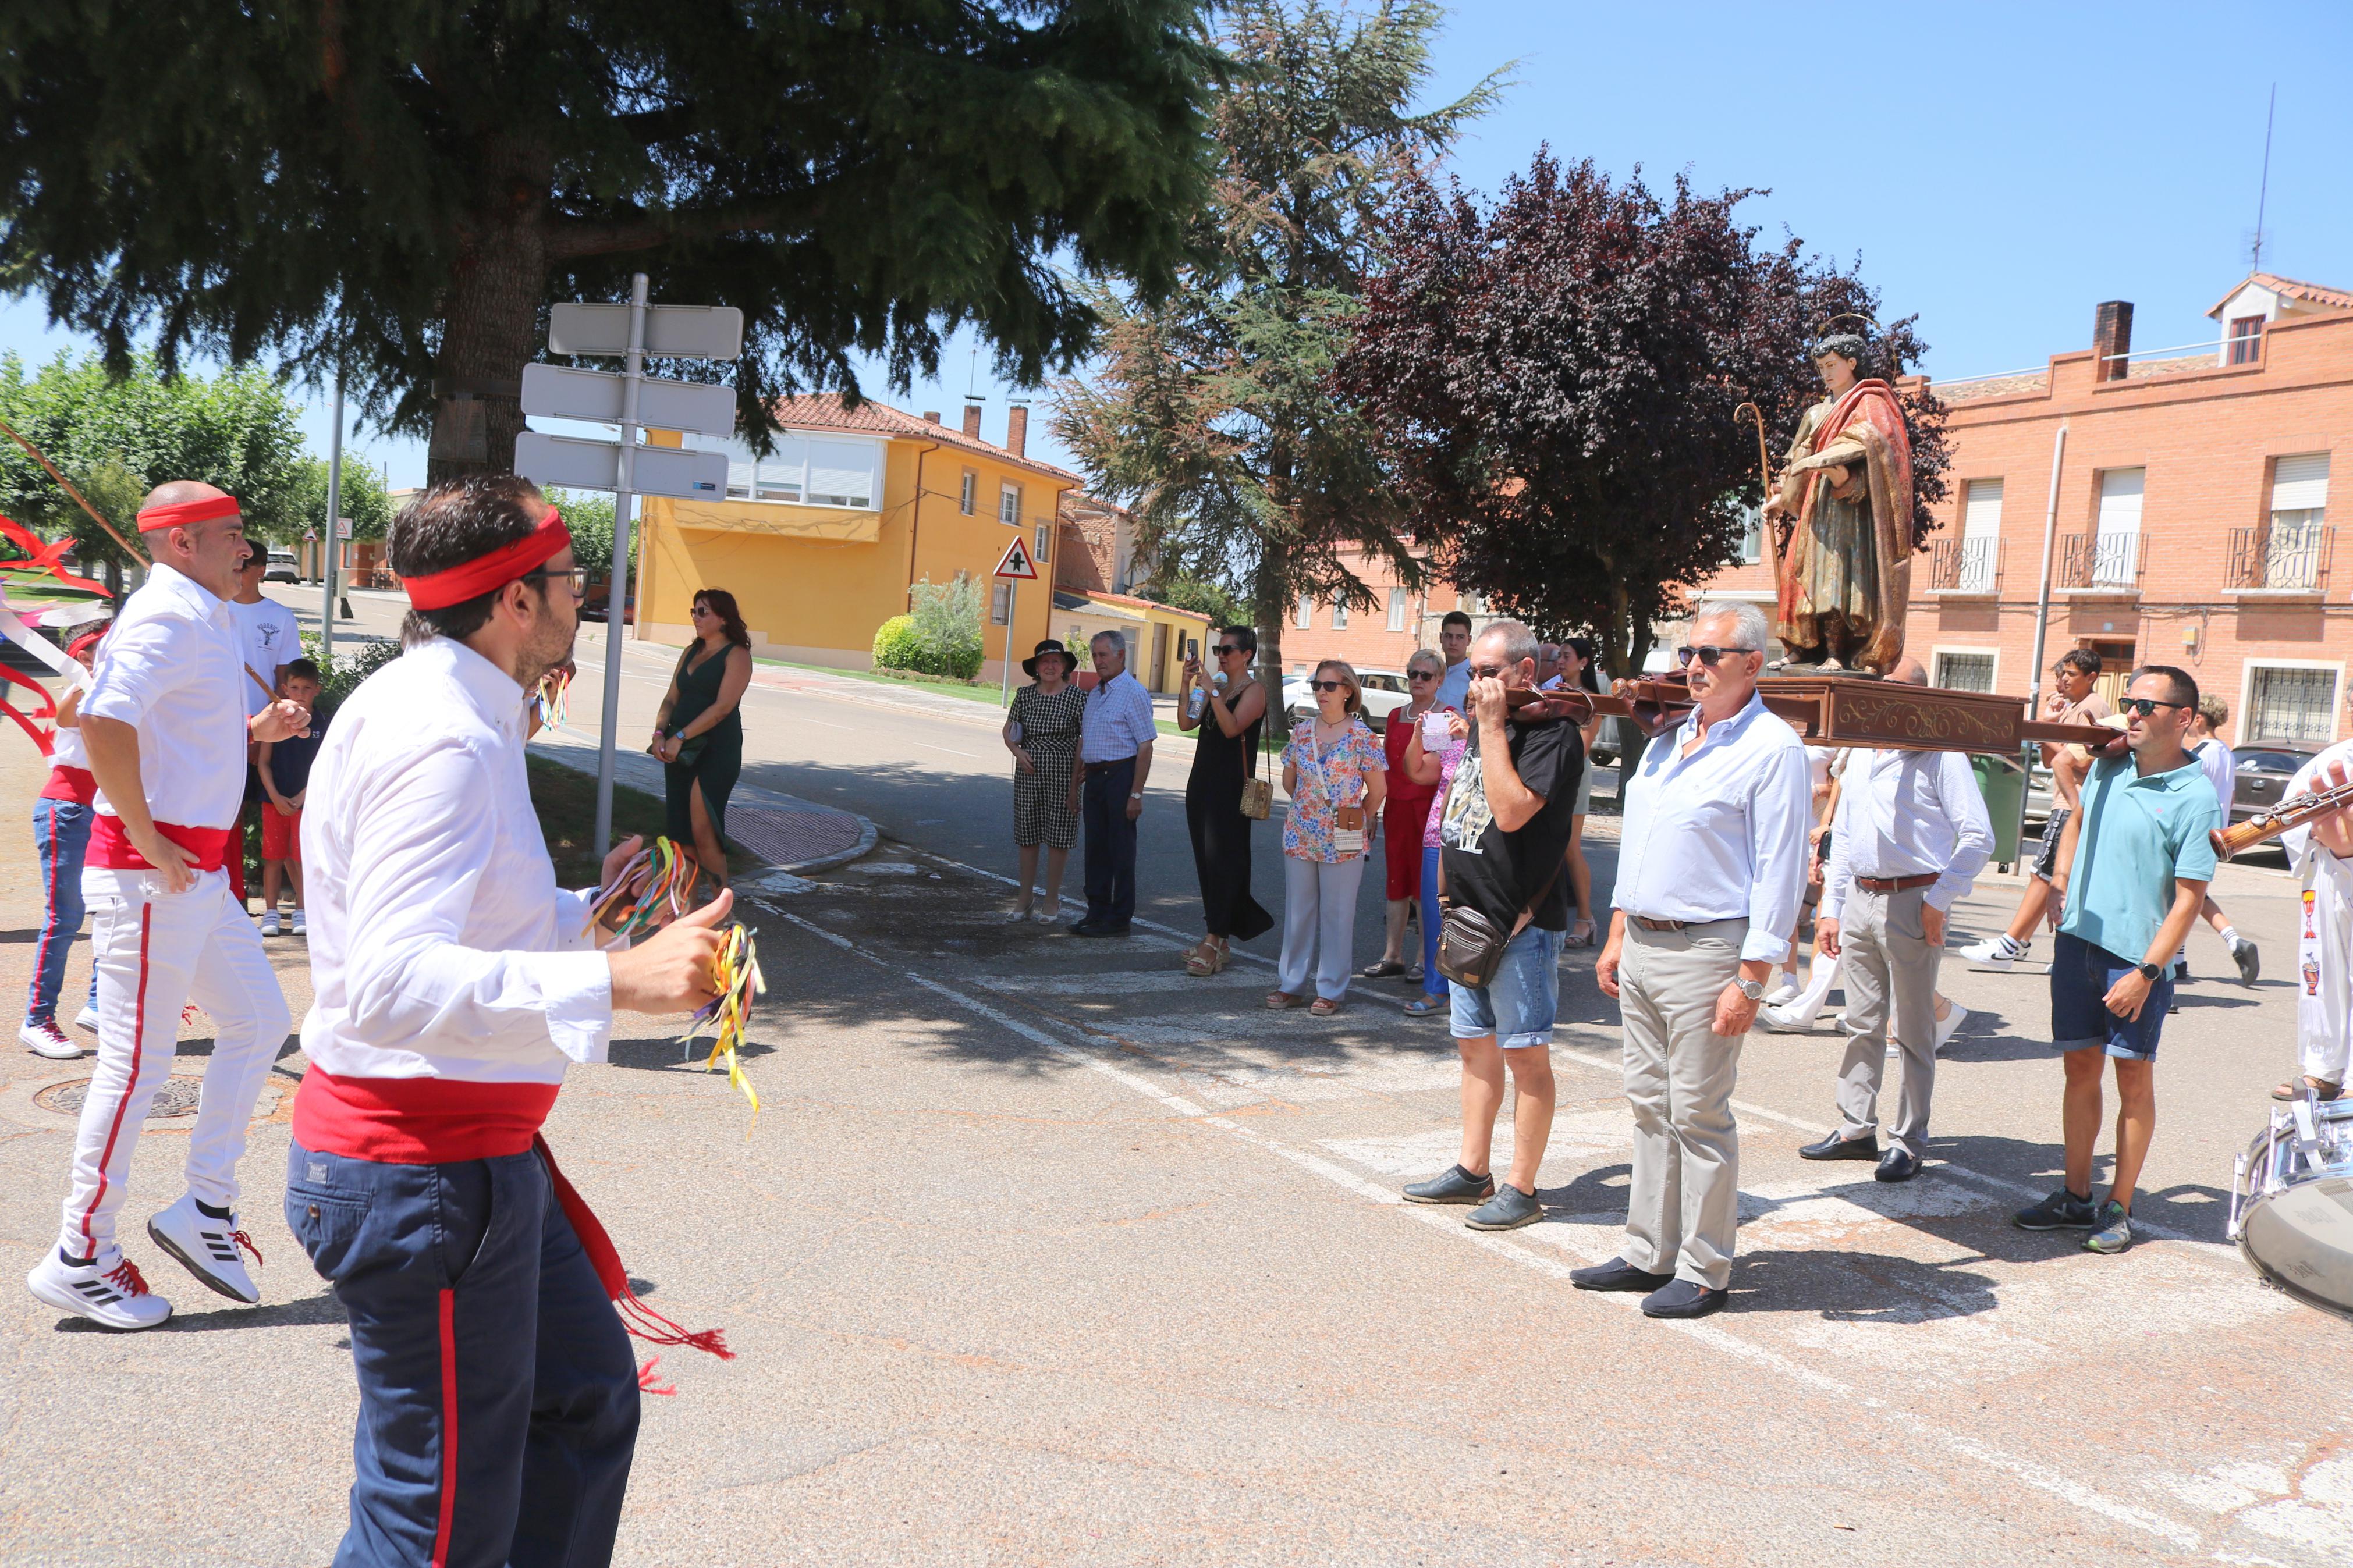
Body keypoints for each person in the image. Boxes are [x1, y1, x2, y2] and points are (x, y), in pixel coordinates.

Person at [290, 475, 733, 1566]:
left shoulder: (453, 710)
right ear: (514, 601)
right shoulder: (444, 739)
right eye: (571, 579)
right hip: (425, 1175)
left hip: (478, 1164)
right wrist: (619, 986)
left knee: (583, 1400)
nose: (583, 598)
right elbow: (387, 982)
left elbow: (468, 924)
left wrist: (593, 914)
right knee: (434, 1524)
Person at [24, 482, 311, 1329]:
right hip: (158, 873)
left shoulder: (201, 614)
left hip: (196, 872)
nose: (245, 549)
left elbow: (178, 721)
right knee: (133, 1066)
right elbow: (105, 719)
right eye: (232, 536)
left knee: (259, 1022)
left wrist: (258, 727)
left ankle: (205, 1209)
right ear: (183, 543)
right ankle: (80, 1252)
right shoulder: (166, 616)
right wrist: (146, 837)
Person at [1575, 600, 1809, 1318]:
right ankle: (1648, 1250)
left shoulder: (1771, 748)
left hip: (1709, 948)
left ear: (1750, 664)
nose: (1693, 666)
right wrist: (1617, 930)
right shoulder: (1668, 740)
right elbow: (1641, 843)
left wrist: (1752, 977)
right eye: (1687, 655)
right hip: (1645, 941)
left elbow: (1780, 870)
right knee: (1648, 1105)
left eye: (1708, 655)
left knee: (1698, 1112)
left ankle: (1705, 1267)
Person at [2012, 666, 2221, 1256]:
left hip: (2135, 959)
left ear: (2182, 718)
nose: (2132, 713)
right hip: (2077, 942)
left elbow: (2188, 901)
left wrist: (2146, 972)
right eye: (2128, 701)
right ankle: (2074, 1194)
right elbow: (2069, 780)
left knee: (2132, 1077)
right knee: (2078, 1070)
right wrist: (2059, 881)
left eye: (2146, 706)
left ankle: (2118, 1205)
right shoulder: (2108, 763)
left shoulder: (2194, 795)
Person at [1401, 621, 1583, 1230]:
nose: (1475, 684)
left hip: (1521, 925)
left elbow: (1508, 812)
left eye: (1488, 673)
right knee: (1474, 1050)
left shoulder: (1550, 735)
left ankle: (1521, 1186)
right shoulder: (1491, 728)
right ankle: (1471, 1169)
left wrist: (1488, 727)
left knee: (1525, 1055)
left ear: (1524, 674)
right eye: (1472, 672)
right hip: (1469, 916)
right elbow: (1456, 807)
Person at [1797, 657, 1995, 1182]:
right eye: (1879, 691)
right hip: (1860, 895)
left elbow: (1978, 836)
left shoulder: (1940, 755)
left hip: (1912, 899)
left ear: (1919, 700)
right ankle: (1855, 1127)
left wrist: (1940, 898)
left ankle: (1908, 1141)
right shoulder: (1862, 751)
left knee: (1910, 1030)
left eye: (1893, 691)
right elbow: (1843, 835)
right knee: (1860, 1021)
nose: (1880, 699)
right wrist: (1831, 909)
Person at [1759, 332, 1917, 673]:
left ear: (1852, 363)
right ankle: (1800, 647)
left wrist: (1843, 476)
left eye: (1832, 365)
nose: (1826, 373)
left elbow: (1883, 455)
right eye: (1821, 367)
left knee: (1837, 578)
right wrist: (1780, 497)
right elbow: (1797, 463)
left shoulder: (1871, 403)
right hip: (1816, 510)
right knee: (1799, 577)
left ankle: (1837, 652)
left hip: (1849, 512)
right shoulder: (1816, 413)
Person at [1961, 649, 2113, 969]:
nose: (2063, 681)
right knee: (2050, 876)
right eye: (2060, 675)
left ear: (2092, 678)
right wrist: (2048, 725)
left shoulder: (2094, 707)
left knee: (2044, 876)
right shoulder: (2073, 707)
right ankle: (2021, 944)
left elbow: (2076, 762)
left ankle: (2010, 944)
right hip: (2067, 802)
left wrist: (2049, 734)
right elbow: (2050, 760)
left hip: (2073, 804)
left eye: (2070, 675)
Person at [1266, 661, 1387, 1015]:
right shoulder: (1302, 732)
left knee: (1338, 913)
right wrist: (1311, 808)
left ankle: (1331, 989)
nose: (1321, 691)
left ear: (1348, 690)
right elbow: (1290, 781)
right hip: (1301, 831)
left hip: (1345, 831)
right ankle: (1292, 984)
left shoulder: (1363, 736)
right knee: (1298, 912)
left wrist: (1356, 819)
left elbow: (1378, 790)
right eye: (1318, 684)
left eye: (1330, 686)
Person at [19, 627, 106, 1059]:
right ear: (79, 656)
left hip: (107, 809)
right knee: (65, 918)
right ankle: (37, 1019)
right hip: (67, 809)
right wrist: (88, 674)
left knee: (111, 910)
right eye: (96, 649)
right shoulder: (81, 689)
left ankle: (98, 1004)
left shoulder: (117, 690)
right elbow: (68, 717)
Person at [1177, 626, 1272, 971]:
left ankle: (1215, 940)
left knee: (1225, 861)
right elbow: (1187, 722)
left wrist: (1212, 693)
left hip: (1231, 787)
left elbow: (1233, 729)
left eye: (1228, 650)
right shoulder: (1215, 685)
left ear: (1247, 654)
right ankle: (1216, 936)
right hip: (1202, 781)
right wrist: (1188, 684)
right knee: (1206, 860)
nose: (1221, 655)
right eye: (1218, 649)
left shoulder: (1255, 690)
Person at [651, 587, 752, 890]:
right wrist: (659, 733)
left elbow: (723, 708)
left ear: (723, 618)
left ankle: (722, 908)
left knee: (703, 827)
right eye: (694, 611)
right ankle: (687, 912)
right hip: (678, 749)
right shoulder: (690, 652)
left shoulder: (737, 655)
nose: (696, 617)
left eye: (703, 611)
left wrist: (680, 735)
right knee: (680, 834)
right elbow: (671, 698)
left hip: (717, 749)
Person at [1363, 647, 1446, 980]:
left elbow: (1434, 769)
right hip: (1397, 807)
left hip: (1427, 811)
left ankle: (1424, 958)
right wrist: (1374, 811)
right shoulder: (1397, 715)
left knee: (1424, 887)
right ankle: (1392, 955)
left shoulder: (1441, 716)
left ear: (1439, 680)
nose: (1418, 681)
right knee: (1395, 881)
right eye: (1413, 674)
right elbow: (1383, 769)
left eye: (1426, 675)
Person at [226, 541, 300, 911]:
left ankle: (292, 905)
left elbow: (284, 678)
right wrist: (246, 731)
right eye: (235, 564)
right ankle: (232, 895)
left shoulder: (281, 617)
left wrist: (270, 735)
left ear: (260, 570)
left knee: (280, 822)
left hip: (268, 733)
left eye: (245, 565)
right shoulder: (215, 611)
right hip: (229, 731)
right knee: (229, 816)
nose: (238, 571)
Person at [2279, 742, 2353, 1101]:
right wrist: (2318, 832)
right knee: (2323, 972)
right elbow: (2287, 816)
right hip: (2327, 872)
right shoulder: (2327, 762)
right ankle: (2324, 1069)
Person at [1070, 630, 1155, 937]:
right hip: (1094, 778)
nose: (1098, 661)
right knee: (1096, 849)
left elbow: (1145, 746)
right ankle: (1097, 911)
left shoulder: (1134, 693)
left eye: (1104, 655)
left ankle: (1119, 919)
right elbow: (1085, 740)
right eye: (1095, 655)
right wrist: (1073, 787)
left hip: (1121, 777)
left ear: (1121, 655)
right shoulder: (1095, 693)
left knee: (1120, 851)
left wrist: (1136, 793)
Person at [1005, 638, 1087, 924]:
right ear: (1036, 668)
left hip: (1064, 771)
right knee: (1027, 835)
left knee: (1058, 836)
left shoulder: (1077, 697)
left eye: (1055, 661)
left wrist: (1077, 777)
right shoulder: (1025, 695)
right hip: (1029, 772)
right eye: (1044, 662)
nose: (1050, 666)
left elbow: (1082, 739)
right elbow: (1008, 730)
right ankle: (1024, 898)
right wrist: (1018, 752)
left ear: (1064, 666)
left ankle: (1052, 900)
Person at [1399, 691, 1470, 1019]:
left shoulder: (1501, 740)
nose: (1471, 710)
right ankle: (1438, 990)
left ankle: (1470, 989)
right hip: (1436, 838)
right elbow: (1416, 771)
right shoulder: (1452, 741)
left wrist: (1475, 736)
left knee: (1472, 917)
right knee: (1434, 916)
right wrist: (1418, 737)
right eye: (1469, 704)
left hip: (1474, 842)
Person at [2180, 695, 2259, 985]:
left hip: (2197, 832)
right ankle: (2233, 942)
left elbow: (2187, 792)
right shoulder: (2226, 752)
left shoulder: (2200, 752)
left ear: (2199, 719)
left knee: (2181, 895)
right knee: (2192, 895)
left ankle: (2176, 962)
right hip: (2219, 834)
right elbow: (2232, 795)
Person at [254, 658, 326, 937]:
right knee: (273, 858)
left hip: (306, 805)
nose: (299, 694)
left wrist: (300, 798)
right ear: (284, 688)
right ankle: (271, 913)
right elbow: (263, 763)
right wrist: (275, 797)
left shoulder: (323, 724)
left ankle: (302, 912)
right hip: (274, 803)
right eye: (294, 687)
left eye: (306, 688)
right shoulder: (273, 719)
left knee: (301, 859)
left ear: (317, 690)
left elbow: (325, 765)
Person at [1557, 637, 1606, 947]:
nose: (1561, 661)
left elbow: (1583, 749)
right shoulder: (1552, 690)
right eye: (1559, 656)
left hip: (1572, 776)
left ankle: (1585, 919)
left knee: (1570, 848)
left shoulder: (1592, 700)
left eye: (1567, 656)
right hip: (1546, 774)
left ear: (1583, 662)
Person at [1432, 609, 1475, 712]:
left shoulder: (1474, 678)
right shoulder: (1431, 674)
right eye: (1448, 636)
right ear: (1441, 638)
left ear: (1469, 640)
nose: (1453, 642)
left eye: (1460, 637)